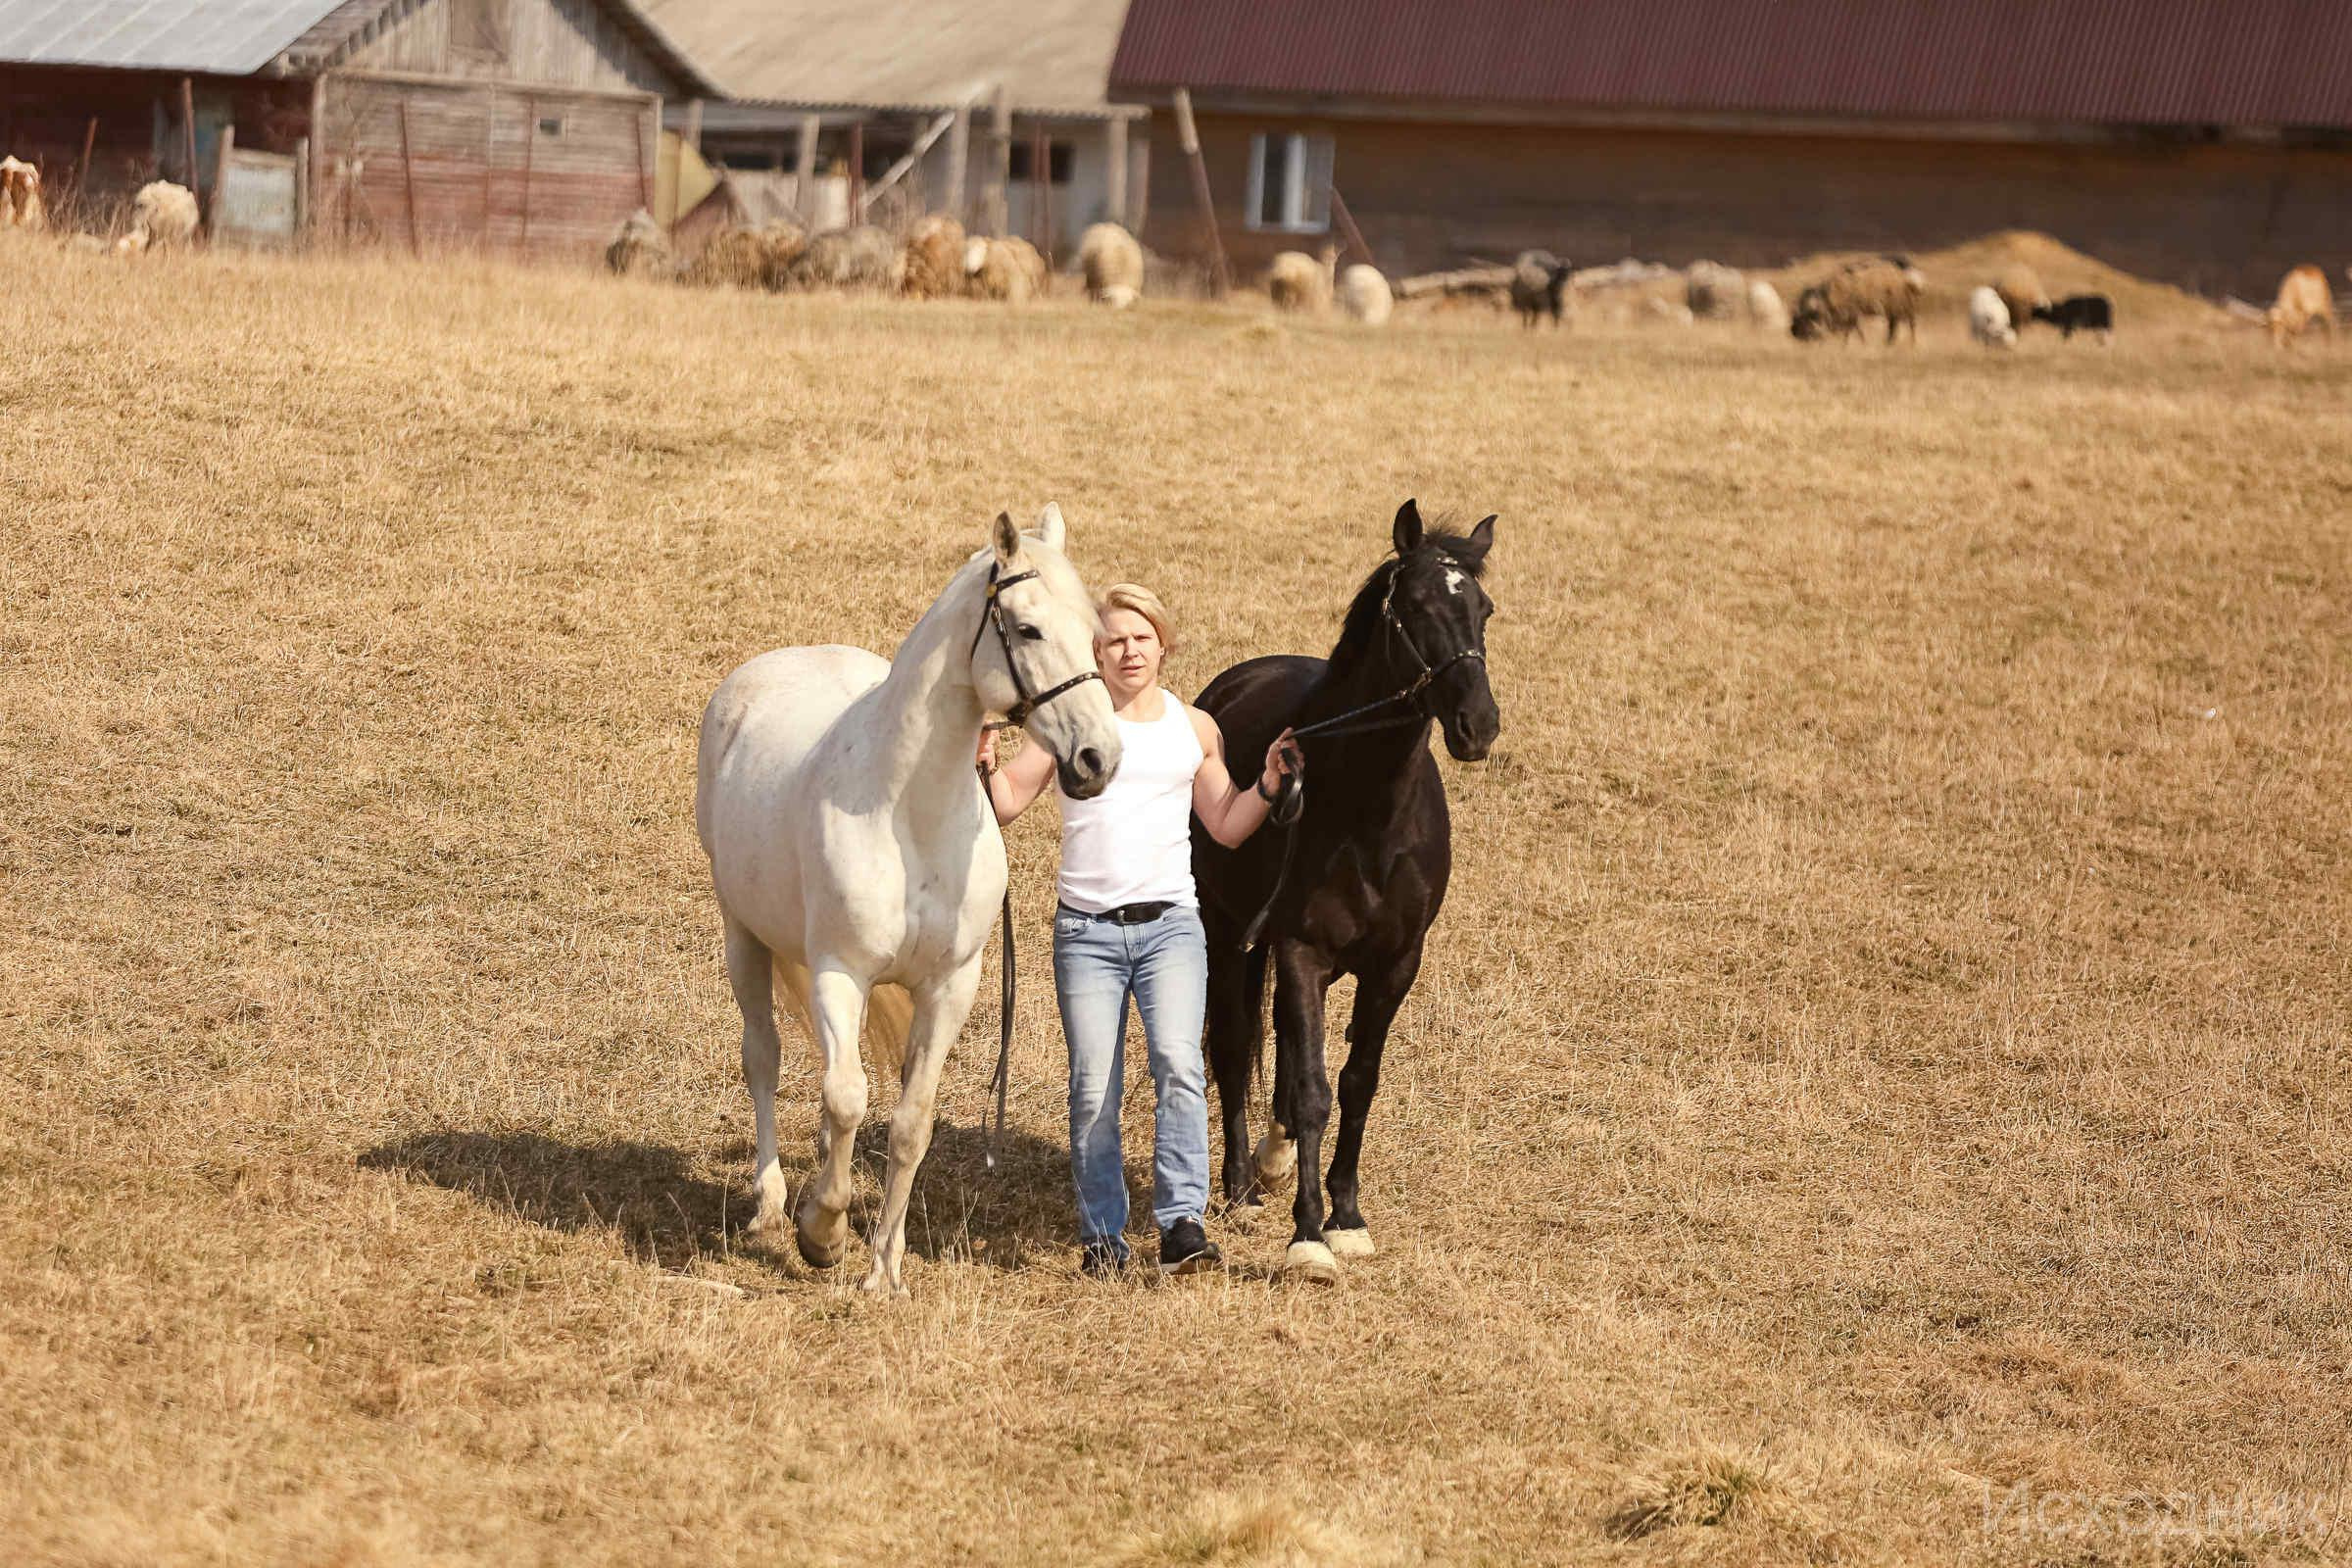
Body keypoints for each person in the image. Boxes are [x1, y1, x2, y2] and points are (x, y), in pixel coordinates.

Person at [979, 583, 1299, 1277]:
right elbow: (1006, 801)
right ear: (1095, 650)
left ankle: (1184, 1224)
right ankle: (1103, 1238)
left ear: (1164, 644)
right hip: (1087, 935)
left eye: (1141, 637)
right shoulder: (1066, 722)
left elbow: (1226, 823)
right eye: (1114, 639)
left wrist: (1269, 785)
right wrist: (979, 759)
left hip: (1171, 932)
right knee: (1092, 1085)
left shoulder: (1194, 727)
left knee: (1181, 1070)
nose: (1129, 650)